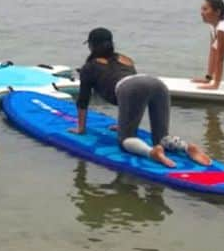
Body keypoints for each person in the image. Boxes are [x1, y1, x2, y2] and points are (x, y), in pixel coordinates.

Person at [71, 27, 211, 168]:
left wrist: (81, 129)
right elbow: (134, 96)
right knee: (161, 137)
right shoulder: (125, 59)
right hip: (156, 83)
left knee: (125, 140)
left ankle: (152, 153)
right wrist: (123, 123)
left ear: (92, 46)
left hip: (130, 87)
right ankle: (186, 147)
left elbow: (83, 100)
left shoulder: (89, 67)